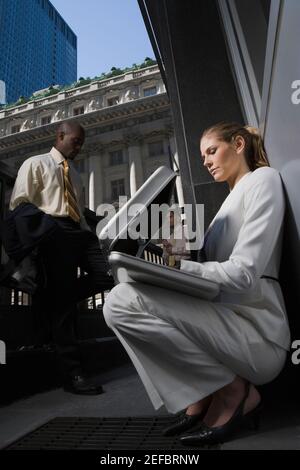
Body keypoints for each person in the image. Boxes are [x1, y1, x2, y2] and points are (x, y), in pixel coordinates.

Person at [102, 121, 291, 445]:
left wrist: (180, 266)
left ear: (239, 144)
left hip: (258, 334)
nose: (205, 160)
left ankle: (233, 391)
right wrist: (166, 261)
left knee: (122, 301)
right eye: (202, 155)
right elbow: (208, 280)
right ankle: (202, 394)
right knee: (119, 300)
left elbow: (243, 275)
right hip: (227, 328)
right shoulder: (221, 214)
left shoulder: (263, 180)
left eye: (212, 150)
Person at [9, 120, 114, 395]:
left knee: (105, 276)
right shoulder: (36, 163)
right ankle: (74, 374)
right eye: (75, 141)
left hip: (79, 233)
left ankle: (52, 297)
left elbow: (76, 207)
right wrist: (43, 233)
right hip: (53, 231)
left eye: (81, 143)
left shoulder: (75, 174)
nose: (78, 147)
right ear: (60, 136)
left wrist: (90, 226)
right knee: (64, 307)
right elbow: (20, 203)